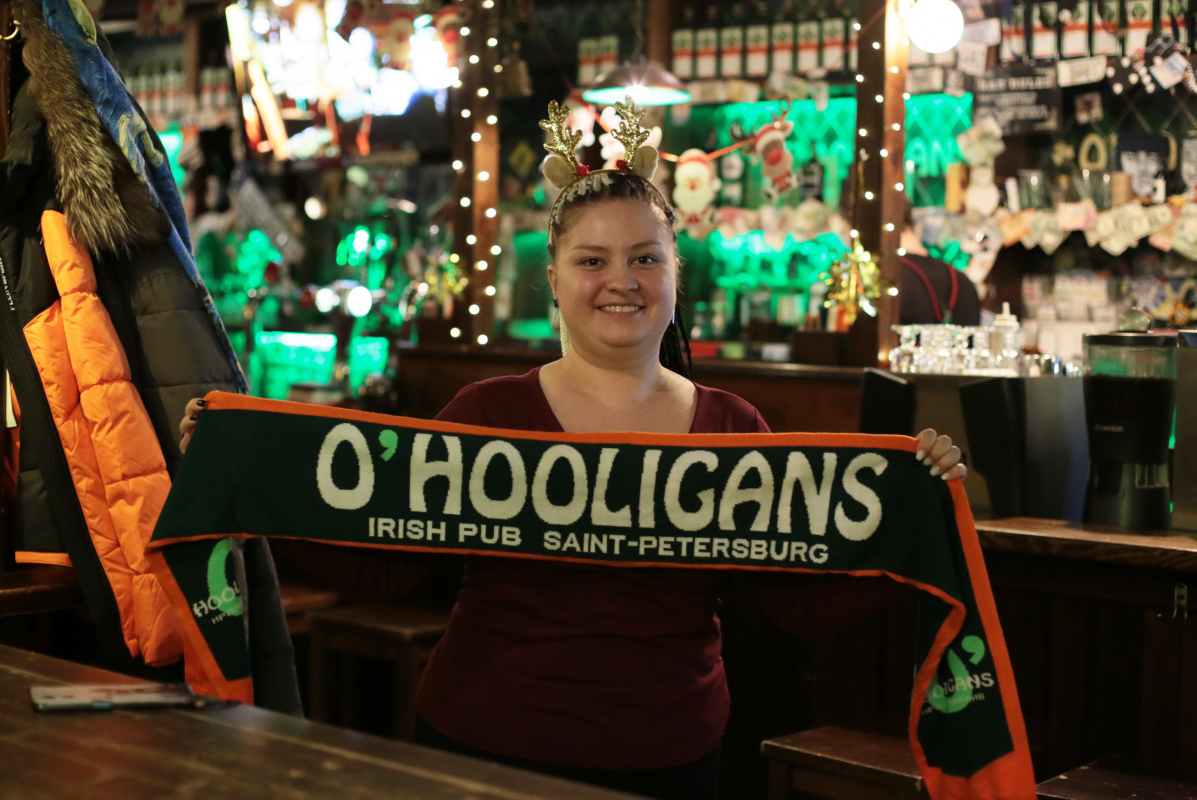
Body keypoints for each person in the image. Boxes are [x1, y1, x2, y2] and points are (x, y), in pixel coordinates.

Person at [178, 99, 965, 800]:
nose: (622, 280)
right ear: (553, 280)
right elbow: (385, 566)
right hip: (484, 748)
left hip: (670, 758)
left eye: (645, 258)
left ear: (674, 275)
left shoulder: (732, 426)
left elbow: (793, 601)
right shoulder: (488, 413)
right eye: (593, 261)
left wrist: (917, 512)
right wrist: (247, 469)